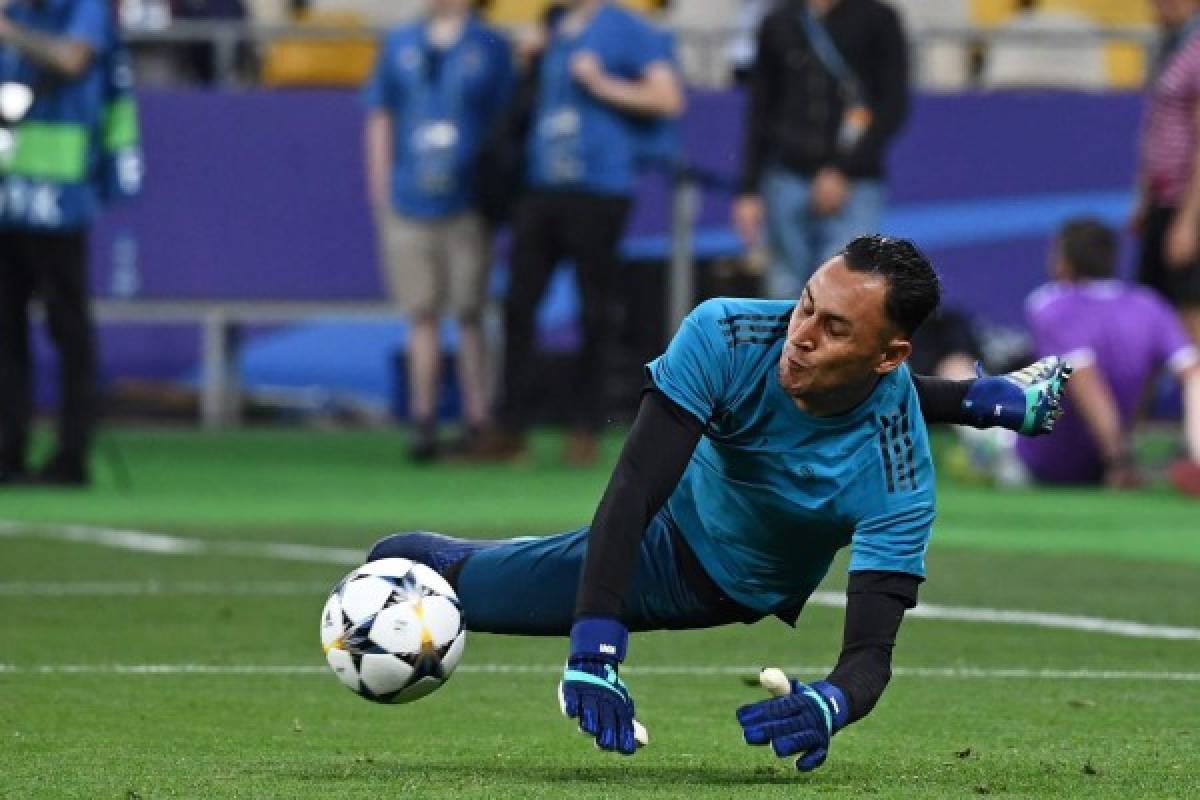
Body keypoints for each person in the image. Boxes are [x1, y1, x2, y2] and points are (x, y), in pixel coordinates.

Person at [368, 235, 1072, 767]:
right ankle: (991, 400)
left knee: (416, 570)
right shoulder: (730, 332)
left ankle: (986, 400)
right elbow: (636, 488)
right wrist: (594, 643)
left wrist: (832, 703)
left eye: (835, 327)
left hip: (707, 576)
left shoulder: (899, 475)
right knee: (403, 562)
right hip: (672, 520)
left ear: (893, 354)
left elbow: (870, 658)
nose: (802, 334)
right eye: (806, 305)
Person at [474, 0, 684, 467]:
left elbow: (667, 98)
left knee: (594, 307)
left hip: (598, 187)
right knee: (518, 304)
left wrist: (601, 82)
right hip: (543, 184)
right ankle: (511, 427)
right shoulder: (553, 27)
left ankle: (585, 426)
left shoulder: (628, 28)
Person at [363, 0, 513, 462]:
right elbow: (381, 115)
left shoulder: (490, 45)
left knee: (470, 313)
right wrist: (380, 185)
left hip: (467, 199)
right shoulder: (400, 43)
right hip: (409, 198)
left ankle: (478, 419)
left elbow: (506, 119)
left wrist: (497, 188)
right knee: (421, 314)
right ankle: (424, 420)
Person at [0, 0, 142, 486]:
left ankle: (71, 454)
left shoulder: (84, 8)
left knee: (68, 328)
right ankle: (7, 451)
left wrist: (10, 32)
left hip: (60, 194)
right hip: (8, 191)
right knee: (6, 329)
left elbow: (73, 59)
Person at [733, 0, 909, 299]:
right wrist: (748, 189)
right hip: (786, 176)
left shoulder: (878, 19)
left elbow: (892, 105)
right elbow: (761, 109)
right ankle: (788, 347)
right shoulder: (779, 20)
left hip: (855, 182)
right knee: (784, 290)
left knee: (845, 290)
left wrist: (843, 171)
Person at [1016, 219, 1200, 490]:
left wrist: (1118, 459)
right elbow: (1193, 373)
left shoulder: (1048, 302)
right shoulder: (1149, 305)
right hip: (1111, 458)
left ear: (1063, 261)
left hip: (1043, 463)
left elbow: (1084, 378)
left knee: (963, 377)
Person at [1134, 0, 1200, 348]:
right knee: (1149, 310)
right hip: (1163, 201)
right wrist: (1145, 201)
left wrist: (1189, 222)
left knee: (1191, 311)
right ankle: (1135, 405)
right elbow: (1157, 130)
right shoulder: (1171, 46)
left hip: (1187, 204)